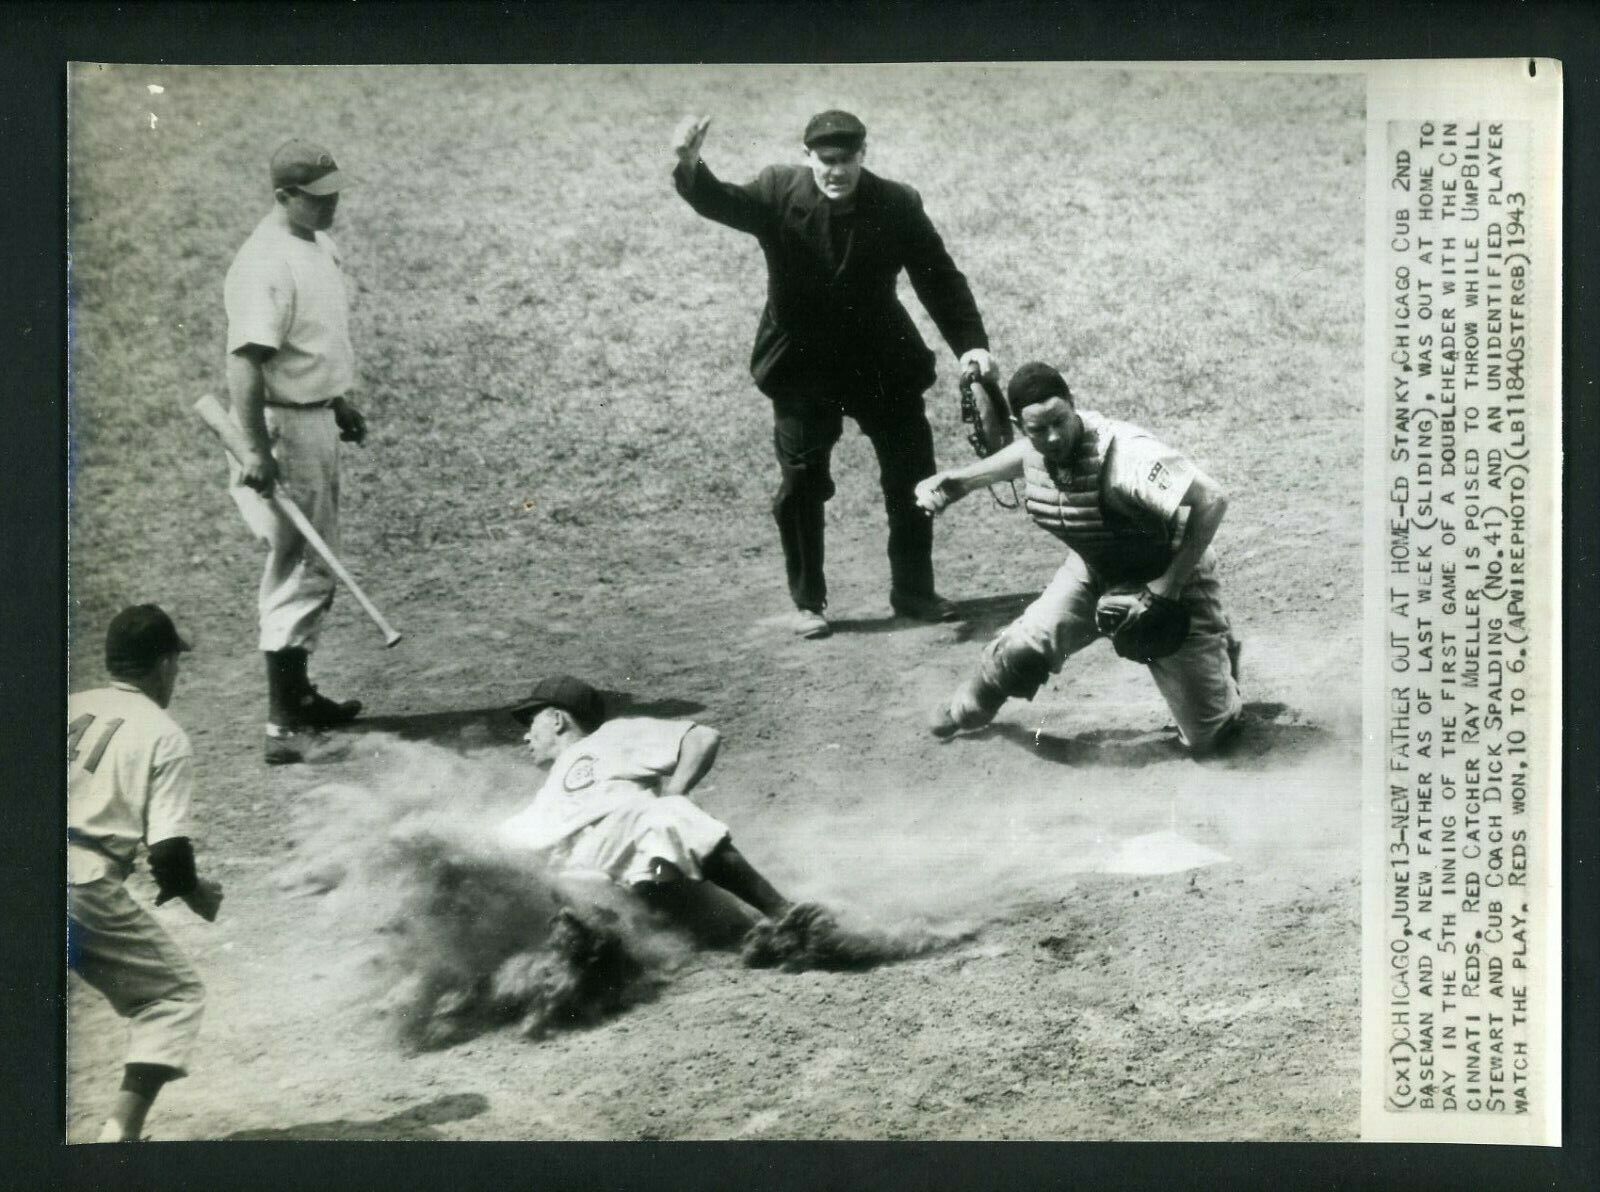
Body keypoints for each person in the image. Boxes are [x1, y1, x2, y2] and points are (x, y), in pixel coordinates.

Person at [671, 109, 998, 638]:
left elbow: (938, 277)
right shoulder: (778, 191)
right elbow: (723, 202)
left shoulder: (897, 203)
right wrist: (690, 163)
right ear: (808, 158)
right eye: (826, 161)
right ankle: (808, 602)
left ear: (863, 156)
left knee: (912, 474)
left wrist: (972, 347)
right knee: (802, 481)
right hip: (803, 367)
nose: (836, 171)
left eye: (846, 160)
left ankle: (914, 592)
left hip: (881, 361)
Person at [915, 362, 1244, 754]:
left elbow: (1211, 499)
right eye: (1038, 429)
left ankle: (1220, 654)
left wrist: (1167, 586)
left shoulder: (1126, 454)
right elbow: (1019, 457)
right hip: (1093, 571)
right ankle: (965, 709)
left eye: (1060, 420)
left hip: (1171, 577)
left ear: (1074, 406)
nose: (1053, 437)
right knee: (1020, 651)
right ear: (1022, 427)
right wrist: (957, 482)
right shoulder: (1033, 450)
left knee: (1209, 738)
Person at [224, 138, 369, 765]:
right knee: (299, 563)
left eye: (334, 195)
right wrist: (256, 451)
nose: (330, 207)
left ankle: (300, 697)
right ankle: (284, 725)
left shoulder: (318, 244)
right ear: (283, 196)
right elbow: (246, 363)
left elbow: (312, 341)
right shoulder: (264, 264)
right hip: (282, 429)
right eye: (317, 199)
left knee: (312, 559)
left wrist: (339, 402)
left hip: (312, 419)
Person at [67, 605, 224, 1142]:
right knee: (172, 998)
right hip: (78, 886)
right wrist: (198, 893)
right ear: (162, 665)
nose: (176, 674)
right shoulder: (163, 733)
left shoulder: (69, 705)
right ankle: (120, 1136)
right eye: (175, 662)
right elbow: (170, 856)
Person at [496, 675, 802, 927]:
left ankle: (787, 918)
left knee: (667, 814)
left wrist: (675, 794)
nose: (525, 737)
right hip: (585, 889)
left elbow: (701, 738)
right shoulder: (544, 795)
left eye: (531, 722)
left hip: (644, 873)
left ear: (557, 719)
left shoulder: (609, 738)